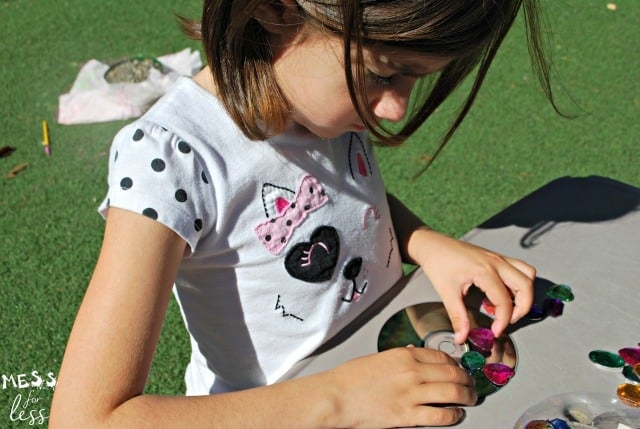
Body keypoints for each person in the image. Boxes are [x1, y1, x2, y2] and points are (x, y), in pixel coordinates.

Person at [50, 0, 556, 427]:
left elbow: (333, 202)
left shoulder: (322, 104)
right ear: (275, 12)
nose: (395, 108)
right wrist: (339, 398)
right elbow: (87, 418)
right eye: (383, 73)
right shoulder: (173, 157)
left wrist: (422, 241)